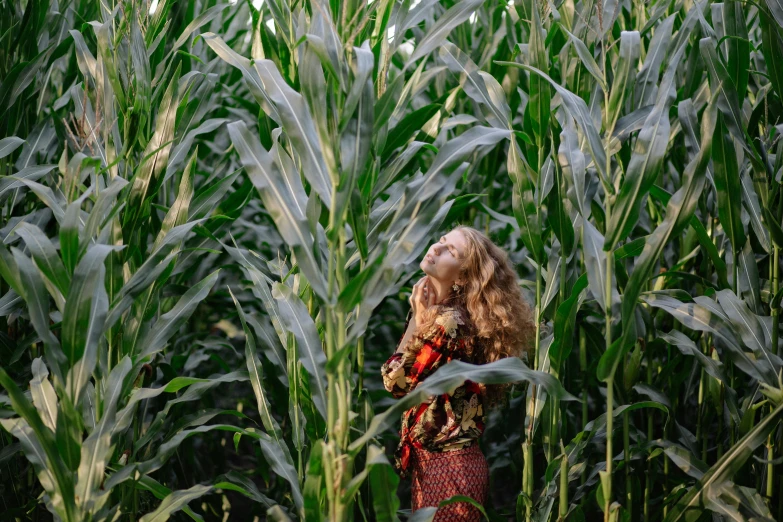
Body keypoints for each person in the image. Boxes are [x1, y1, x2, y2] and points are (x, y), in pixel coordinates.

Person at [380, 225, 536, 520]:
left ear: (463, 276)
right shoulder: (438, 313)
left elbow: (396, 382)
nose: (436, 248)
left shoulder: (448, 322)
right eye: (441, 241)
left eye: (450, 250)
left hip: (449, 470)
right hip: (441, 463)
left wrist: (415, 318)